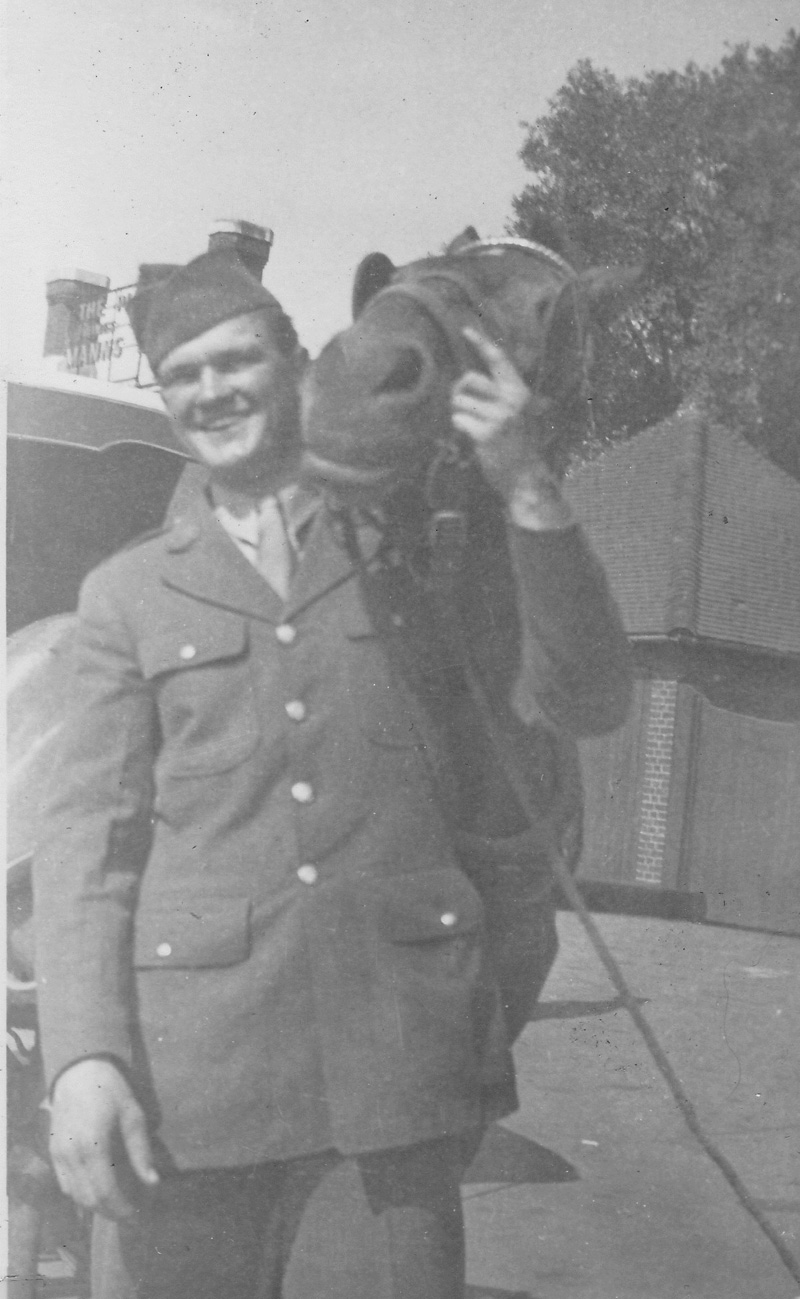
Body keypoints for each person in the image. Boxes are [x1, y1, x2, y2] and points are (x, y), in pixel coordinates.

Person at [33, 249, 632, 1299]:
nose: (214, 390)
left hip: (390, 1098)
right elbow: (87, 847)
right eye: (186, 375)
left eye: (237, 360)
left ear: (297, 363)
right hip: (189, 1096)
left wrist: (524, 481)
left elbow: (586, 699)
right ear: (169, 402)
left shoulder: (423, 550)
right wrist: (83, 1060)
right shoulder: (126, 597)